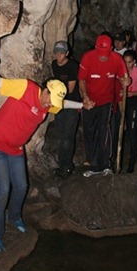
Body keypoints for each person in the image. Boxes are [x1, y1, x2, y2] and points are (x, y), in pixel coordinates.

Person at [0, 54, 67, 253]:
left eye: (54, 103)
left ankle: (14, 216)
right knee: (3, 190)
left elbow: (63, 105)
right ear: (46, 91)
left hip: (15, 148)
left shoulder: (50, 103)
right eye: (50, 100)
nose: (50, 105)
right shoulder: (26, 88)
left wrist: (83, 105)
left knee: (21, 186)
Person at [78, 34, 130, 177]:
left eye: (105, 55)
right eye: (100, 54)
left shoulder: (117, 59)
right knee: (89, 131)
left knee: (103, 130)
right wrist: (85, 97)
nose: (102, 58)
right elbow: (81, 80)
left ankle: (106, 164)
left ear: (112, 49)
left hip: (106, 101)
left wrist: (126, 81)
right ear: (95, 48)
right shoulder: (87, 58)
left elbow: (123, 77)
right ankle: (94, 165)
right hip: (90, 102)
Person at [51, 40, 81, 179]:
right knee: (60, 135)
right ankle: (62, 164)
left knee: (67, 137)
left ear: (67, 53)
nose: (59, 56)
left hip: (71, 103)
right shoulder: (54, 65)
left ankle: (67, 166)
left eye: (62, 53)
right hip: (59, 104)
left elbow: (71, 88)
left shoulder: (72, 66)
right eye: (57, 53)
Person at [122, 49, 137, 173]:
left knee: (132, 132)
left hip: (134, 103)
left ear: (134, 62)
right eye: (125, 62)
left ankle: (132, 163)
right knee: (123, 130)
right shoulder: (120, 72)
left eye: (130, 62)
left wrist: (131, 93)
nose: (127, 65)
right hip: (123, 103)